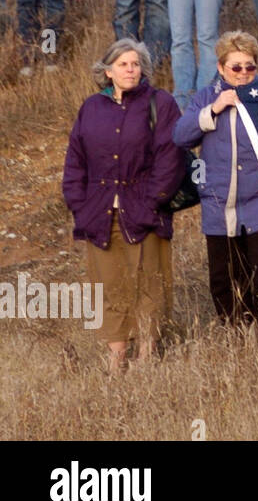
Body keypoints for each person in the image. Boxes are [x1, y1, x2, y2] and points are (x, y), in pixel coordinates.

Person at [62, 39, 186, 372]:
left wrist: (151, 203)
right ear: (108, 71)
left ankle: (146, 356)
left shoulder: (160, 103)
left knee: (150, 282)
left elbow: (170, 159)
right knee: (109, 284)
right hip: (99, 214)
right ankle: (116, 358)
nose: (130, 69)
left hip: (145, 211)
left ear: (143, 69)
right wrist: (80, 206)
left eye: (135, 64)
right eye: (122, 64)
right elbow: (76, 160)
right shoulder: (91, 107)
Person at [173, 31, 258, 327]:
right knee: (225, 283)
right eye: (235, 67)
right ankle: (239, 345)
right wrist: (214, 109)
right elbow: (181, 136)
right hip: (219, 205)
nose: (243, 73)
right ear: (221, 67)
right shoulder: (206, 96)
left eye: (249, 66)